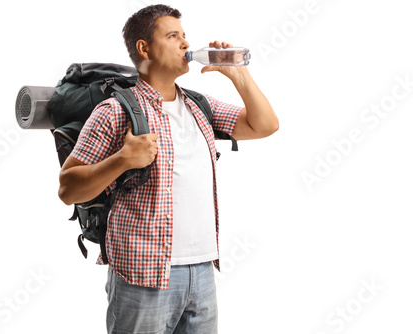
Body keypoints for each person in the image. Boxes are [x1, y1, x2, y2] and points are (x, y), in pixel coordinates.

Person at [58, 4, 278, 333]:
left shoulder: (198, 105)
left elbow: (265, 125)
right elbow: (68, 188)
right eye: (173, 36)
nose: (186, 44)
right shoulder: (114, 110)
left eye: (185, 36)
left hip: (202, 269)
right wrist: (123, 159)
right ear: (144, 48)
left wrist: (239, 74)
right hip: (142, 274)